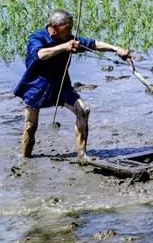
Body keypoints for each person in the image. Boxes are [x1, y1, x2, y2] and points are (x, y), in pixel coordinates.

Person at [14, 9, 130, 161]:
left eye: (71, 28)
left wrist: (116, 49)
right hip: (36, 87)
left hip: (62, 86)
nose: (70, 31)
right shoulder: (37, 38)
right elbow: (40, 54)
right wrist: (64, 47)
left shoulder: (68, 38)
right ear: (54, 27)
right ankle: (25, 159)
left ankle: (82, 155)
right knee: (31, 126)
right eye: (67, 28)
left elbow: (93, 44)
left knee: (83, 110)